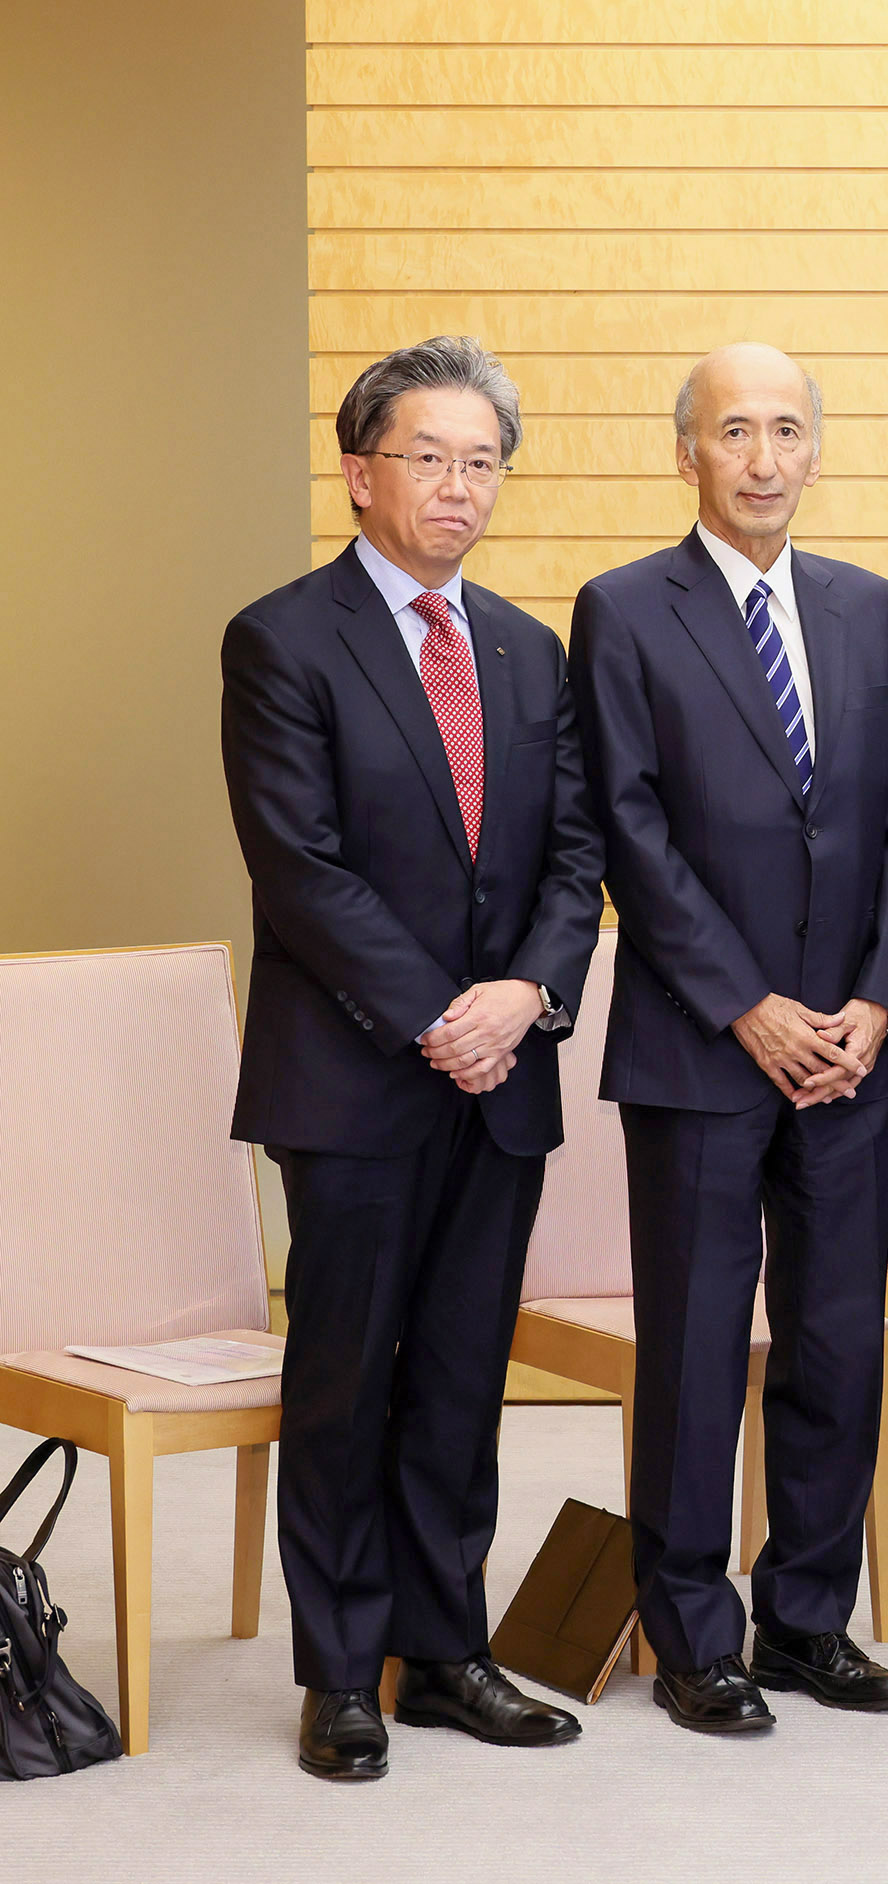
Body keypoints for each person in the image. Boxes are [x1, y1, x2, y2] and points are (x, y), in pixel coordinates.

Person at [221, 337, 604, 1780]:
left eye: (481, 462)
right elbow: (300, 867)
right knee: (344, 1376)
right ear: (358, 473)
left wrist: (527, 996)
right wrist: (446, 1015)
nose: (458, 486)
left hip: (502, 1075)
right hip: (357, 1074)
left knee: (458, 1374)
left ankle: (445, 1651)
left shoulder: (526, 648)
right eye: (428, 458)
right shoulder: (282, 638)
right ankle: (339, 1672)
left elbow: (574, 857)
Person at [570, 343, 888, 1733]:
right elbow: (630, 829)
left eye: (788, 429)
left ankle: (806, 1622)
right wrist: (746, 1002)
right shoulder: (624, 610)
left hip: (851, 1051)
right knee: (695, 1344)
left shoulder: (869, 609)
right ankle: (694, 1635)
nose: (765, 457)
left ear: (815, 451)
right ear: (689, 453)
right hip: (701, 1044)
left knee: (836, 1342)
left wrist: (879, 1000)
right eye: (736, 431)